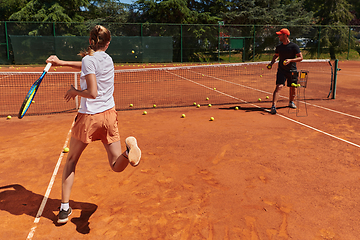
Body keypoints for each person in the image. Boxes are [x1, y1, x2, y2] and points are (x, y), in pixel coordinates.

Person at [46, 25, 141, 224]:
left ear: (90, 41)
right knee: (116, 165)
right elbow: (86, 65)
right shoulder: (107, 59)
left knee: (71, 161)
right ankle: (128, 151)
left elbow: (92, 93)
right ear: (107, 43)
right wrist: (61, 63)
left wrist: (74, 91)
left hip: (89, 117)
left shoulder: (88, 60)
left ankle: (64, 209)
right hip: (109, 116)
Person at [267, 28, 303, 114]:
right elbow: (276, 56)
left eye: (280, 34)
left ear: (285, 35)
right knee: (279, 86)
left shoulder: (294, 46)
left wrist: (290, 60)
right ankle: (273, 106)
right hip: (281, 70)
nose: (278, 36)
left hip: (292, 70)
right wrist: (271, 63)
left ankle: (291, 102)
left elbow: (300, 57)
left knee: (293, 87)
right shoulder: (279, 47)